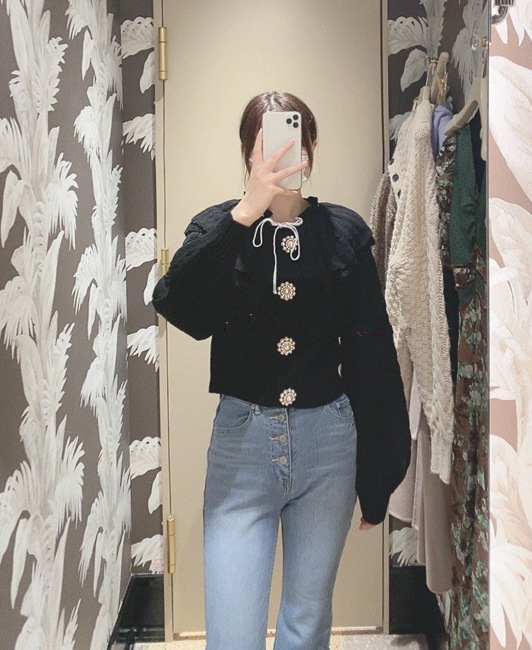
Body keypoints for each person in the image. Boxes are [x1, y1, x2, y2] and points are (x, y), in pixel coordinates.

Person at [152, 91, 411, 650]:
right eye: (264, 143)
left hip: (328, 447)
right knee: (232, 634)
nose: (281, 153)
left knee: (306, 622)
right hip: (241, 448)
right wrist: (245, 214)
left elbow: (371, 353)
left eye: (295, 139)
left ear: (311, 147)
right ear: (248, 153)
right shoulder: (219, 228)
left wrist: (379, 474)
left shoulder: (342, 233)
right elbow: (182, 308)